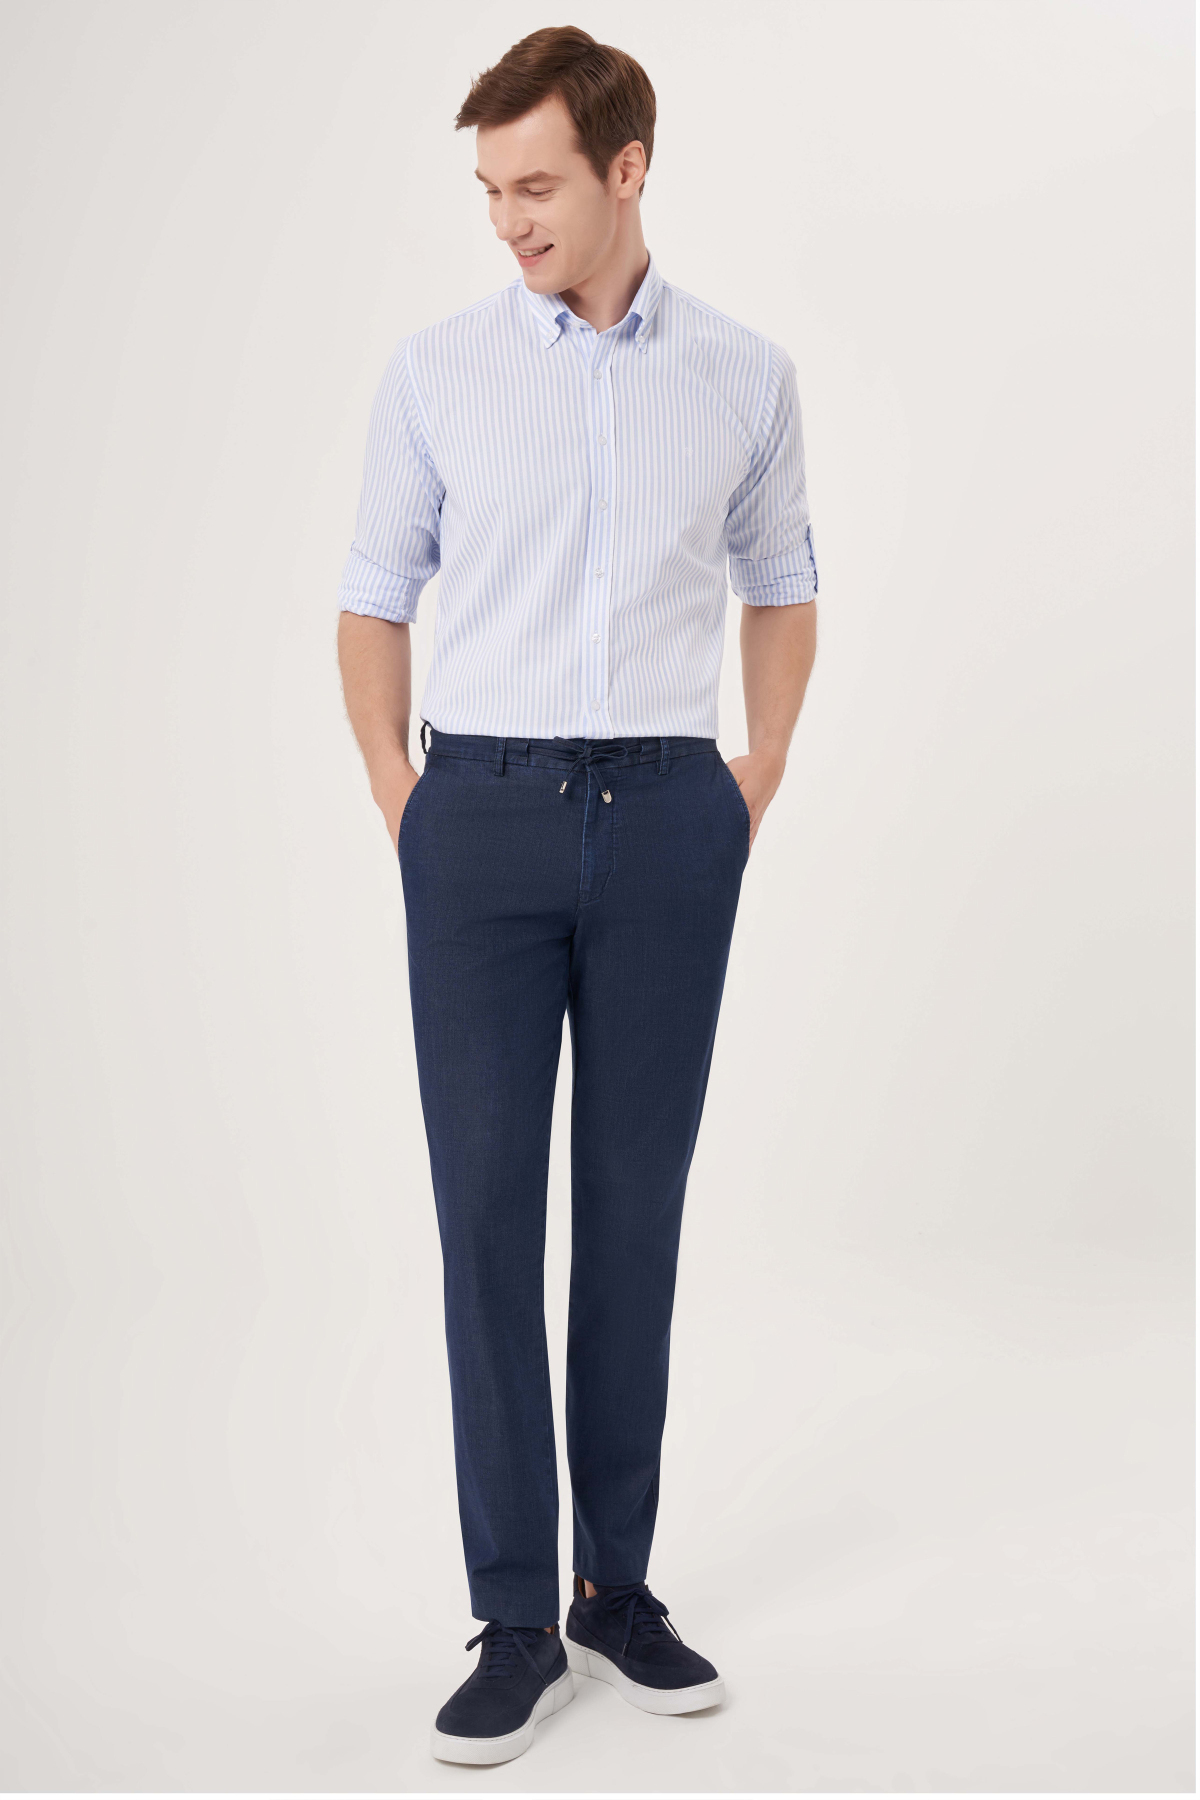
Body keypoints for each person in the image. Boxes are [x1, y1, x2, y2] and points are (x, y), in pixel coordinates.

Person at [336, 24, 818, 1767]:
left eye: (535, 184)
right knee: (485, 1219)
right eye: (489, 190)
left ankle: (617, 1589)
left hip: (672, 817)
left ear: (628, 169)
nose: (508, 220)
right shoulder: (439, 371)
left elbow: (783, 579)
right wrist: (404, 801)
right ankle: (515, 1614)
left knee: (633, 1214)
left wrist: (755, 773)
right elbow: (373, 595)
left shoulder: (745, 375)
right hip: (477, 818)